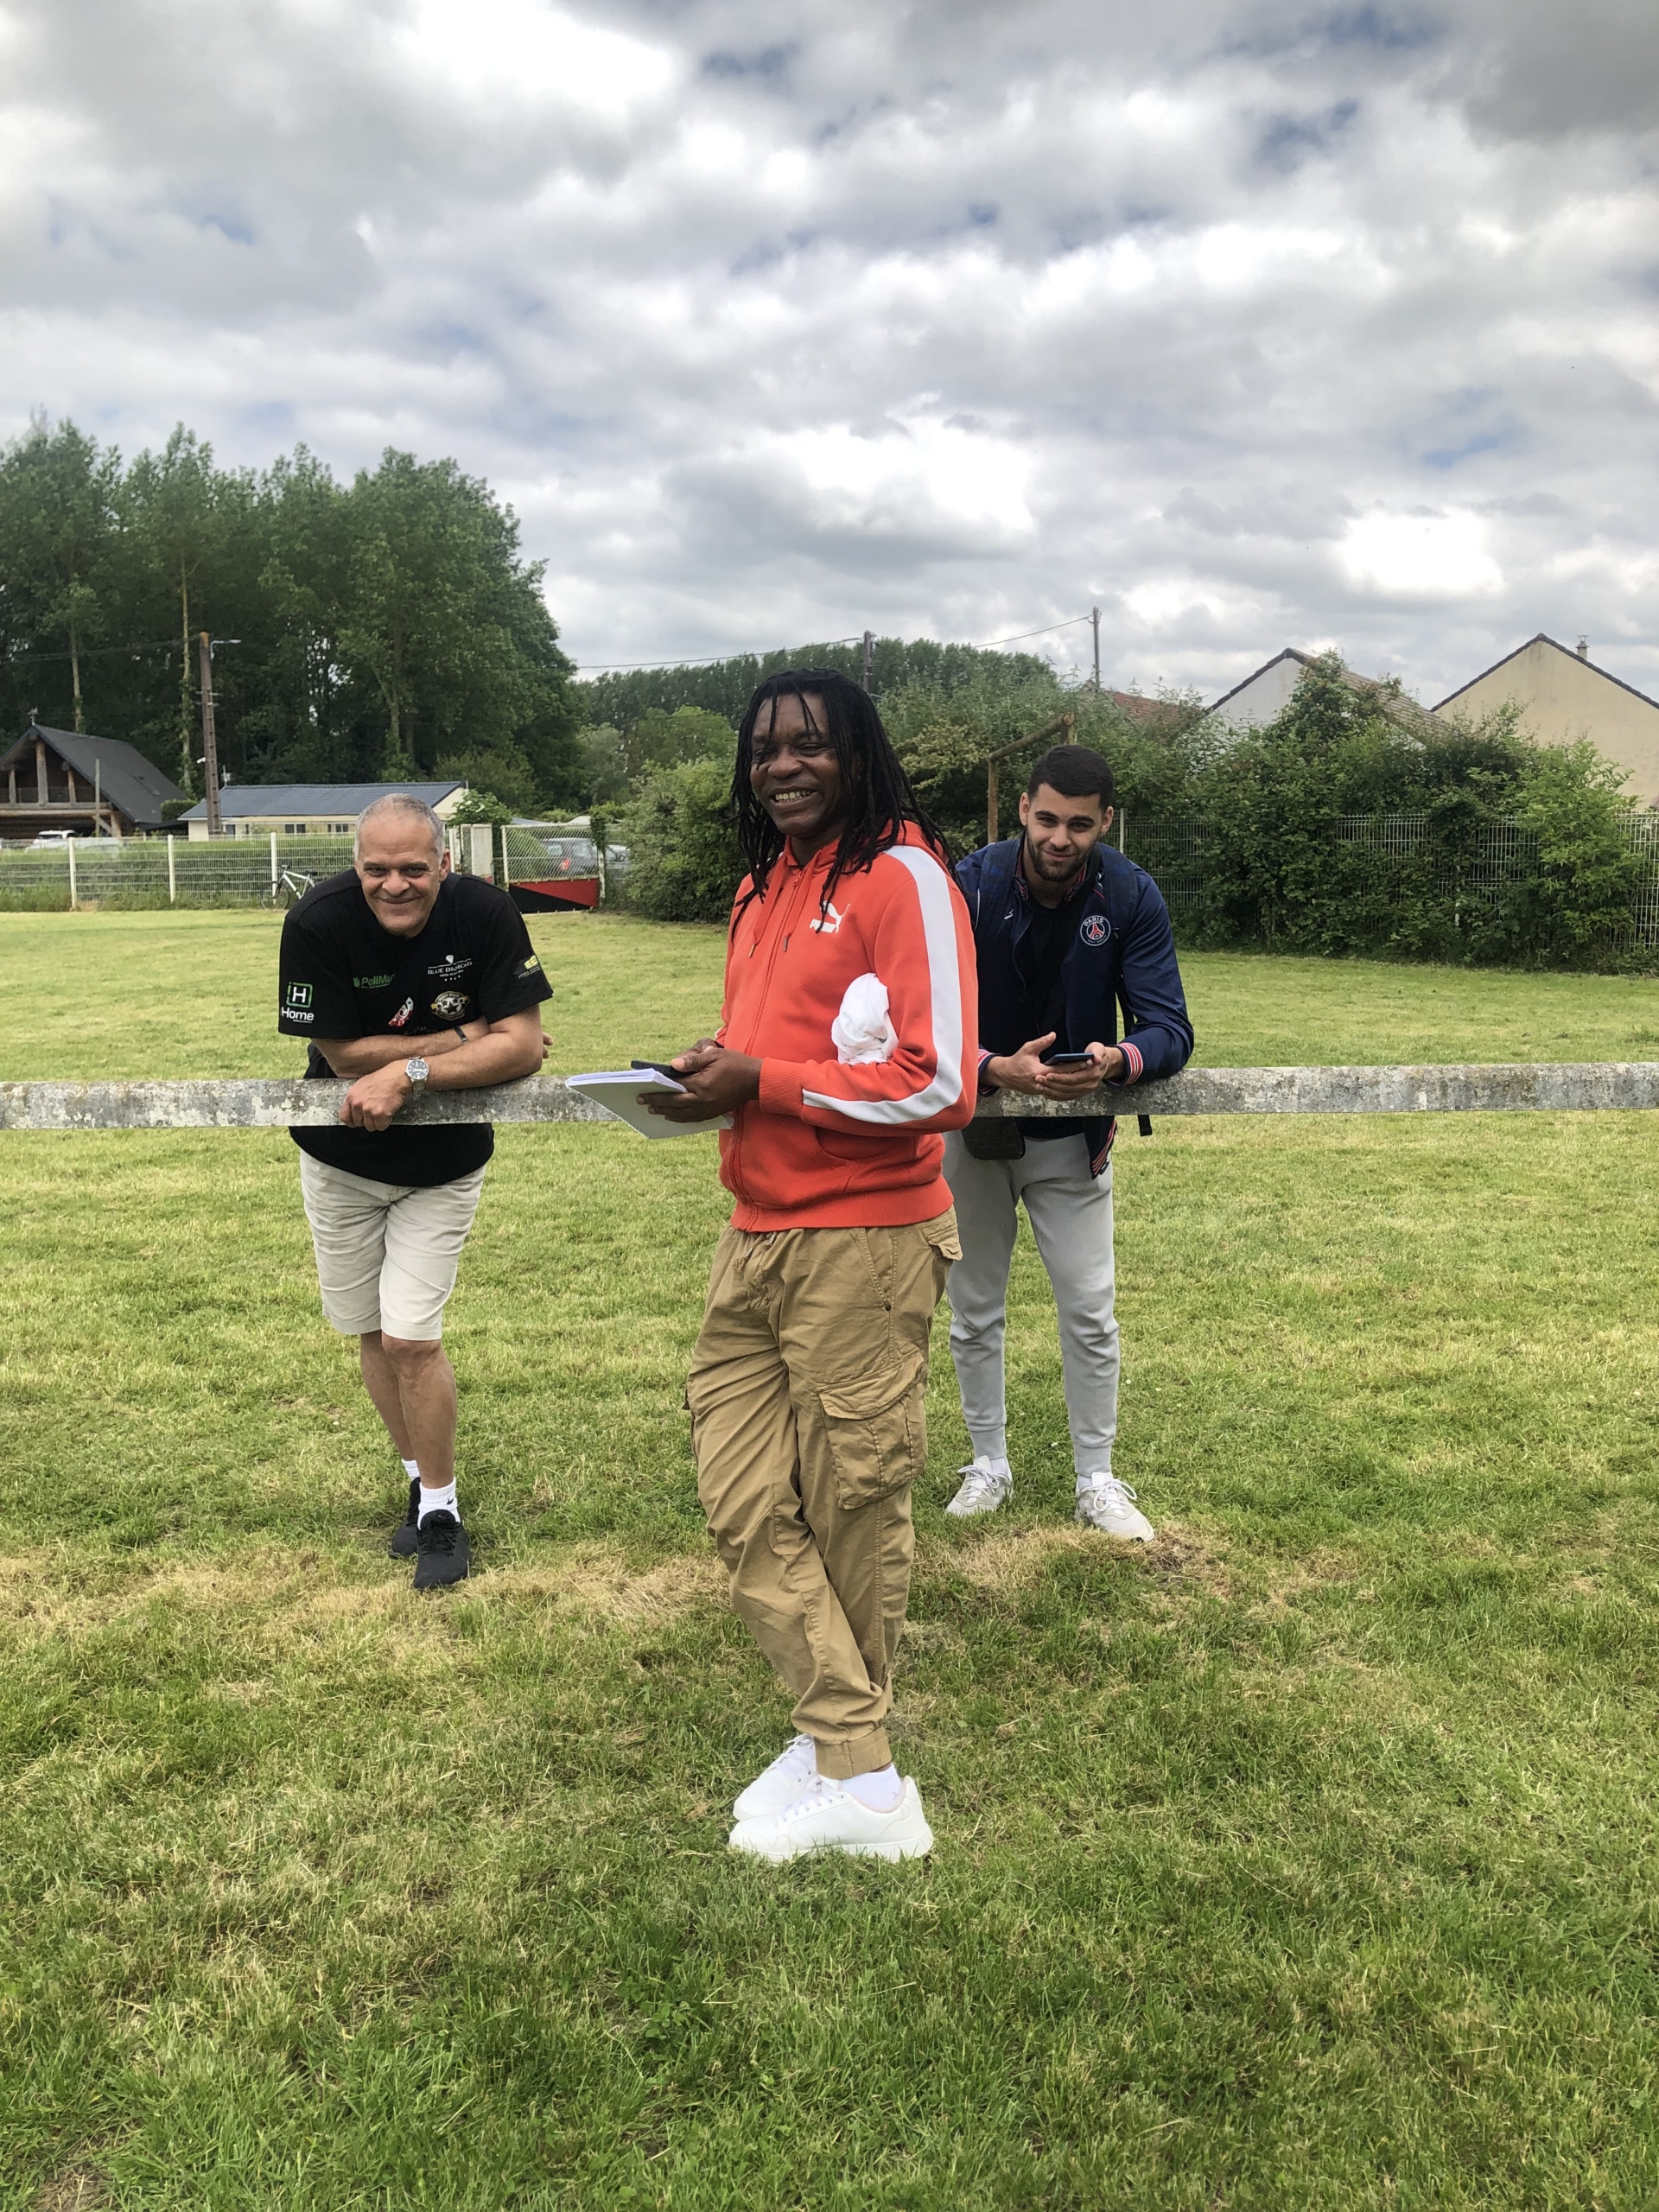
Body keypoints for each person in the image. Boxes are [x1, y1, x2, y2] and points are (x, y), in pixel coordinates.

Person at [650, 669, 976, 1863]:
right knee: (741, 1494)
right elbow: (780, 1049)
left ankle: (867, 1787)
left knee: (851, 1502)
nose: (782, 765)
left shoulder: (904, 876)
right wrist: (718, 1072)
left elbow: (942, 1082)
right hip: (755, 1230)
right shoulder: (762, 885)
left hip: (866, 1240)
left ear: (858, 753)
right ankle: (844, 1740)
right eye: (764, 748)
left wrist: (766, 1081)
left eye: (810, 744)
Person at [276, 793, 551, 1590]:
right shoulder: (317, 920)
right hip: (338, 1161)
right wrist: (469, 1036)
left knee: (411, 1340)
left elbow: (524, 1046)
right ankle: (417, 1476)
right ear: (355, 865)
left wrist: (410, 1070)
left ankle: (440, 1509)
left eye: (412, 869)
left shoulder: (487, 913)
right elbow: (339, 1055)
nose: (394, 885)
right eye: (377, 869)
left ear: (444, 863)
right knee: (370, 1330)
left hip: (444, 1164)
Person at [944, 743, 1193, 1538]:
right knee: (972, 1309)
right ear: (1023, 808)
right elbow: (919, 1018)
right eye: (1047, 819)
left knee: (1090, 1312)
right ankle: (988, 1463)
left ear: (1105, 822)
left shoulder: (1130, 892)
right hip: (974, 1126)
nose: (1060, 838)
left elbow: (1170, 1028)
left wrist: (1118, 1061)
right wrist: (992, 1067)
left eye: (1079, 825)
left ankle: (1097, 1478)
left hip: (1075, 1137)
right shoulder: (968, 884)